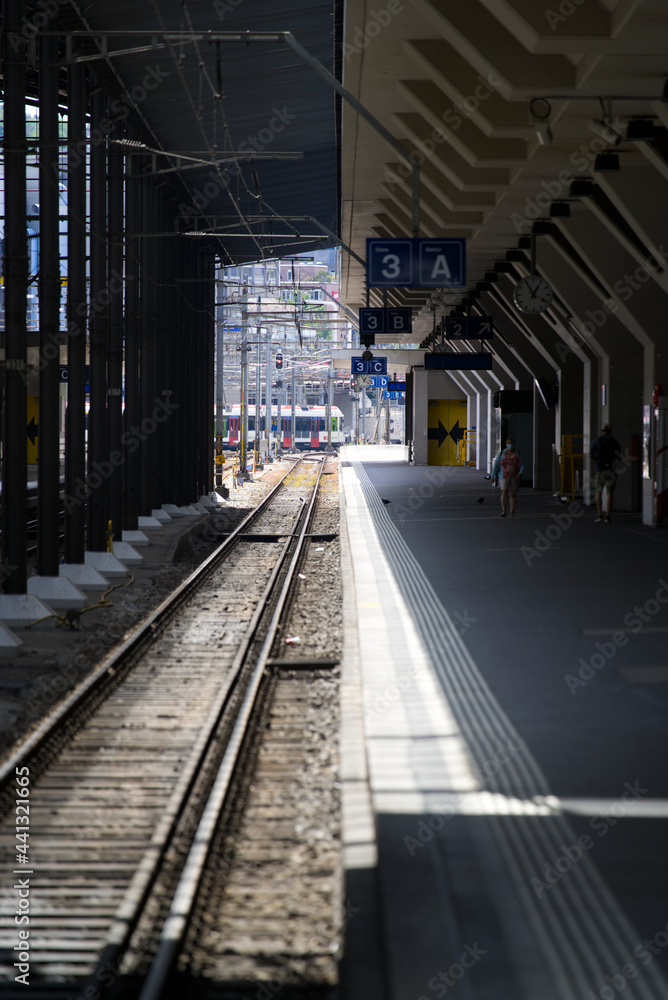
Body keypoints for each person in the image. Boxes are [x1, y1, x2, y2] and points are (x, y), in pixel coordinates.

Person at [590, 423, 621, 522]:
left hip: (599, 470)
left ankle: (599, 515)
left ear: (602, 430)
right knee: (609, 493)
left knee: (598, 492)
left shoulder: (596, 441)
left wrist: (598, 460)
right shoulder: (615, 442)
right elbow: (619, 457)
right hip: (611, 471)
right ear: (611, 431)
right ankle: (608, 515)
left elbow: (590, 455)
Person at [491, 438, 524, 517]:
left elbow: (522, 464)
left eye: (512, 443)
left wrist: (520, 473)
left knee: (513, 494)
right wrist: (492, 475)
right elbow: (496, 465)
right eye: (509, 443)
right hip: (504, 475)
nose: (510, 445)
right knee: (504, 492)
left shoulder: (518, 453)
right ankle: (504, 510)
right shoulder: (502, 453)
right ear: (506, 444)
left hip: (514, 476)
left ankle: (512, 511)